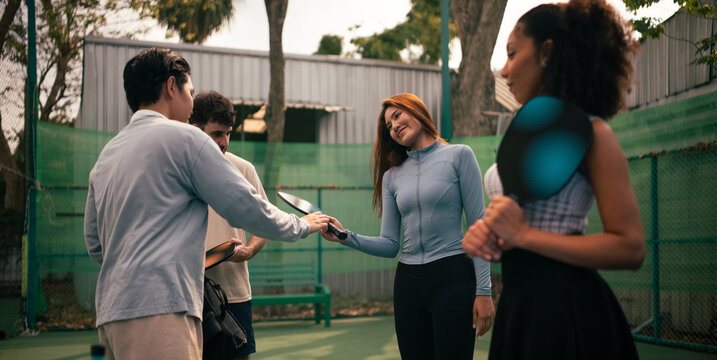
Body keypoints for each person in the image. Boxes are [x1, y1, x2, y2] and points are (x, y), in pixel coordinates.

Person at [83, 48, 330, 360]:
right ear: (171, 86)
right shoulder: (186, 138)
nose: (191, 101)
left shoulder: (108, 154)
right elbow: (246, 207)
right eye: (190, 90)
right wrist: (303, 225)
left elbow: (95, 245)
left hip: (110, 315)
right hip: (161, 312)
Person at [462, 1, 645, 359]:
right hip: (519, 301)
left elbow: (631, 247)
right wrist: (490, 239)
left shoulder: (595, 132)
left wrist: (524, 235)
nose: (503, 69)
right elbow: (518, 231)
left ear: (546, 52)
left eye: (513, 53)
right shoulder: (524, 129)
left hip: (566, 310)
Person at [321, 93, 494, 360]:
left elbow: (478, 225)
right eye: (388, 126)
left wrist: (484, 290)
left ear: (416, 110)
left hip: (454, 278)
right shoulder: (392, 177)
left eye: (397, 115)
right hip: (409, 285)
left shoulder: (460, 155)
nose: (394, 126)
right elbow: (390, 244)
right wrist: (346, 237)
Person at [189, 90, 265, 359]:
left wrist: (250, 249)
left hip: (235, 296)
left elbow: (262, 227)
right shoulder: (176, 171)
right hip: (189, 296)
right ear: (195, 129)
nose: (224, 142)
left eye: (228, 133)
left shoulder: (244, 170)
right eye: (216, 134)